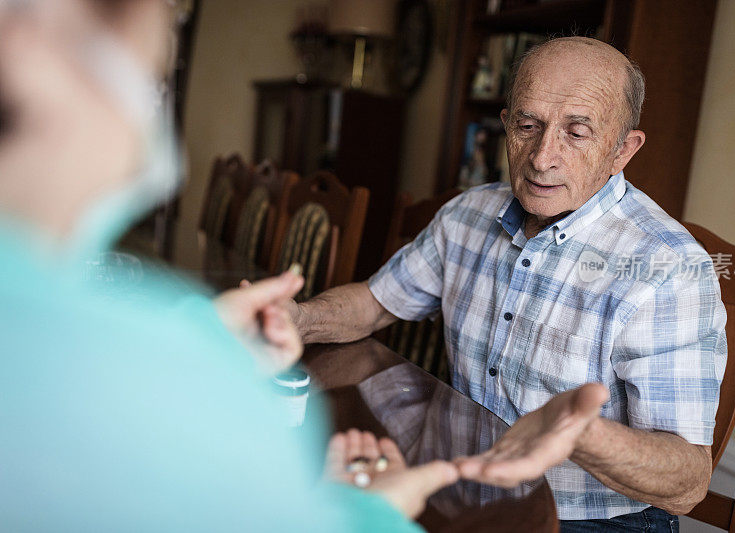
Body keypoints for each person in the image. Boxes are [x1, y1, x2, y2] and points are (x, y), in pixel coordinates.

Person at [0, 1, 459, 530]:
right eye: (150, 85)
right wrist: (369, 511)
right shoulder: (210, 406)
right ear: (27, 46)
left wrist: (202, 335)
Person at [288, 37, 727, 530]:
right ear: (505, 125)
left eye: (577, 133)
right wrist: (300, 319)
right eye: (527, 126)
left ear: (623, 149)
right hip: (463, 486)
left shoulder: (667, 267)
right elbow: (374, 303)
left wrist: (579, 435)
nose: (542, 157)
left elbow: (689, 484)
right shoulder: (467, 213)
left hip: (586, 519)